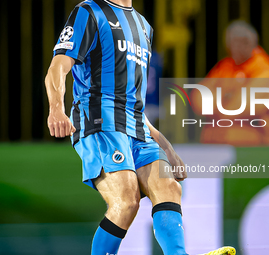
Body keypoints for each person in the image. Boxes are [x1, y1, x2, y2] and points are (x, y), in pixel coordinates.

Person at [45, 0, 236, 254]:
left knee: (169, 186)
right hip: (100, 120)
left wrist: (166, 147)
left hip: (136, 125)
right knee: (126, 199)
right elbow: (58, 66)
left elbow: (135, 101)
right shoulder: (88, 12)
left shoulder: (144, 26)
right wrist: (56, 108)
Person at [191, 21, 269, 146]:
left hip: (260, 145)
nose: (235, 47)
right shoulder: (226, 65)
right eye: (232, 42)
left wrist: (222, 97)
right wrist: (230, 96)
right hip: (218, 141)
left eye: (241, 42)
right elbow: (198, 100)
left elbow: (235, 109)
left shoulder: (266, 69)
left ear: (250, 42)